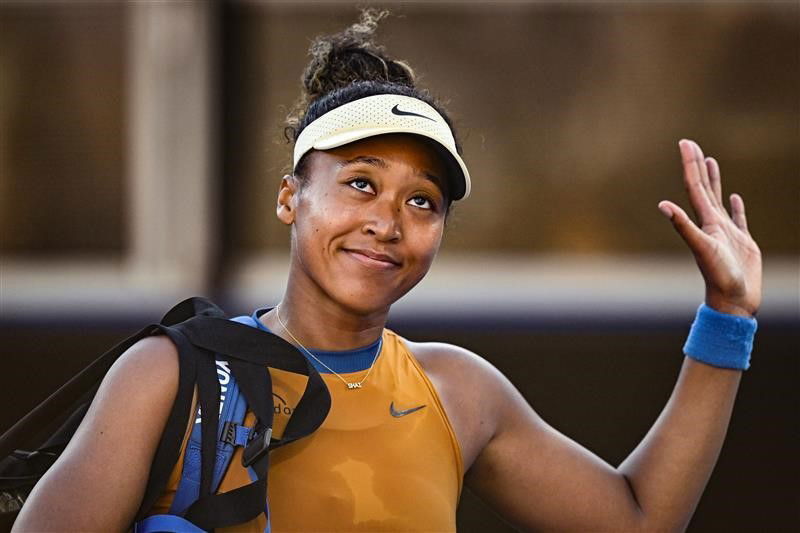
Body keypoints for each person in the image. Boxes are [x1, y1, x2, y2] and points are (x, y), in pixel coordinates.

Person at [13, 10, 761, 532]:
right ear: (290, 197)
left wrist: (728, 314)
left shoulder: (459, 393)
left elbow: (638, 517)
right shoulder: (166, 376)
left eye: (423, 201)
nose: (388, 221)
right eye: (362, 183)